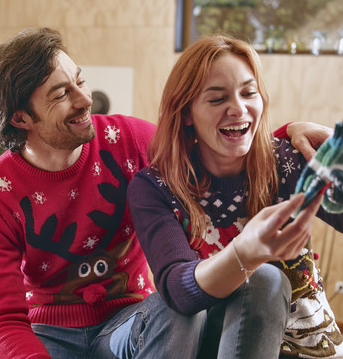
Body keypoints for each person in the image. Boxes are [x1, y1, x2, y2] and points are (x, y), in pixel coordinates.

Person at [0, 27, 333, 358]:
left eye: (80, 82)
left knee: (178, 308)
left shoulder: (131, 140)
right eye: (62, 94)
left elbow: (211, 146)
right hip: (52, 333)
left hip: (134, 320)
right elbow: (2, 322)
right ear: (21, 119)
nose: (84, 99)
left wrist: (284, 138)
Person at [127, 34, 343, 358]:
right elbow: (177, 291)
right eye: (217, 99)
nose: (238, 109)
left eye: (248, 92)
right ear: (186, 113)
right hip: (220, 343)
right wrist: (246, 253)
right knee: (264, 277)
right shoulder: (156, 187)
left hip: (307, 345)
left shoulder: (286, 160)